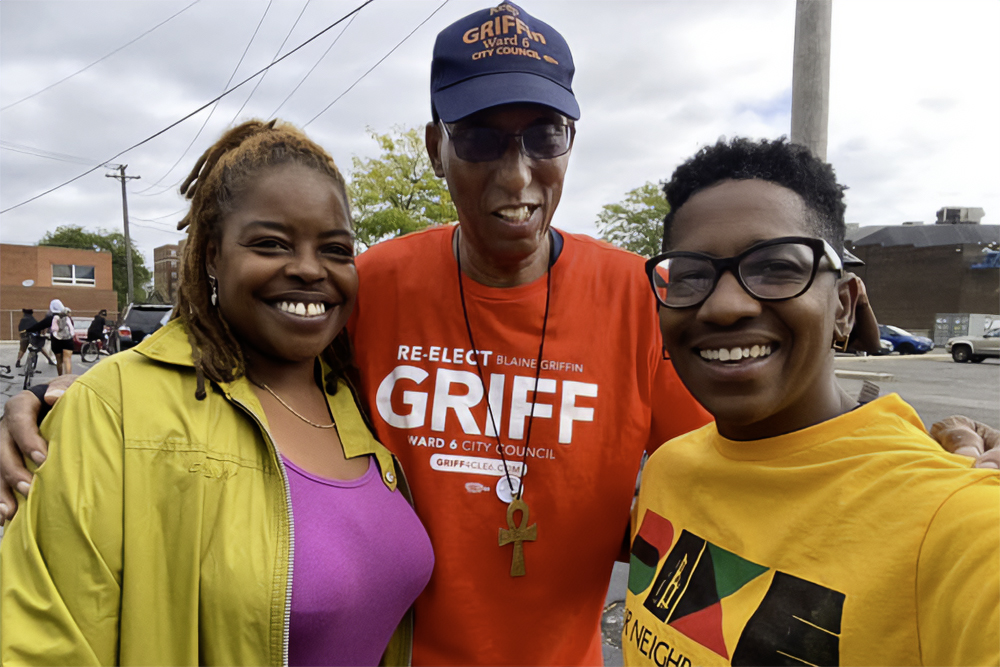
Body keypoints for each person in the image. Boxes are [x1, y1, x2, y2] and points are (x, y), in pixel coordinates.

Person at [0, 3, 998, 665]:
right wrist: (66, 402)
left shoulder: (643, 295)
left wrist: (915, 450)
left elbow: (759, 466)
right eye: (480, 137)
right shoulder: (373, 281)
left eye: (541, 136)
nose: (514, 173)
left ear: (570, 142)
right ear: (436, 145)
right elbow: (231, 360)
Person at [0, 120, 433, 666]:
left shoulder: (355, 397)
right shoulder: (114, 411)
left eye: (336, 249)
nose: (307, 268)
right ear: (210, 255)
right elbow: (41, 645)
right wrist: (59, 399)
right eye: (271, 244)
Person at [624, 137, 999, 665]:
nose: (726, 306)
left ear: (844, 307)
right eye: (691, 275)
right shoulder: (669, 469)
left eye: (776, 267)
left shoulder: (957, 523)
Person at [47, 299, 75, 375]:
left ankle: (60, 376)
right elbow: (72, 327)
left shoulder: (53, 316)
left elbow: (53, 328)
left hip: (57, 339)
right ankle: (68, 377)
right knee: (67, 359)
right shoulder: (67, 317)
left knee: (59, 360)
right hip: (67, 338)